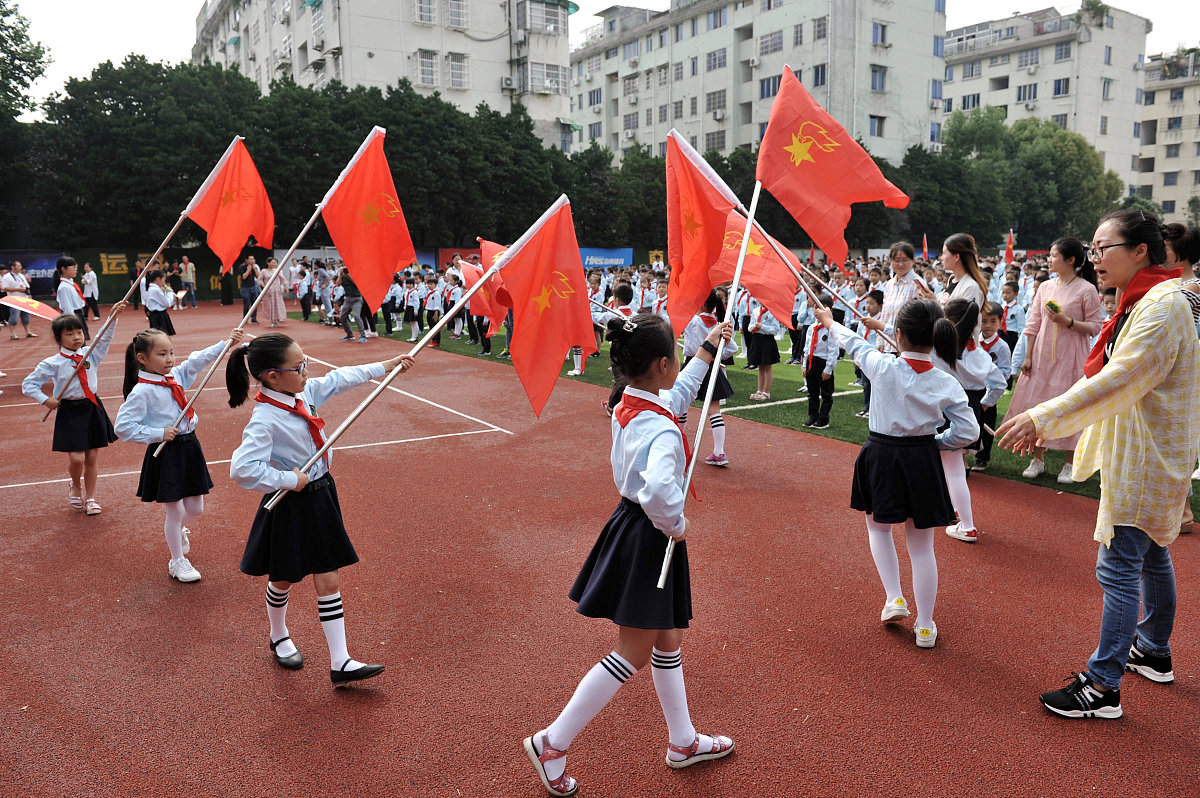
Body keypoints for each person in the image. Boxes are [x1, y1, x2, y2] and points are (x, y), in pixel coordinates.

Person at [998, 210, 1200, 720]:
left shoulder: (1161, 306)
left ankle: (1103, 684)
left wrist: (1041, 416)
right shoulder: (1158, 297)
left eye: (1102, 247)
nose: (1095, 259)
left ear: (1139, 251)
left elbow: (1118, 377)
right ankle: (1152, 651)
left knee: (1120, 564)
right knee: (1152, 552)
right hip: (1150, 444)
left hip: (1146, 451)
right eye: (1091, 248)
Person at [524, 313, 735, 797]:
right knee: (633, 651)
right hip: (649, 535)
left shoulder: (633, 400)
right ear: (662, 363)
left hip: (633, 527)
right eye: (677, 355)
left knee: (669, 636)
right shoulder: (659, 430)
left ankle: (682, 741)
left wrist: (707, 348)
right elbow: (662, 492)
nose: (679, 363)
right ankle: (552, 742)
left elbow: (676, 396)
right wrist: (677, 525)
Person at [228, 333, 415, 685]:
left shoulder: (303, 392)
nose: (306, 371)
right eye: (299, 367)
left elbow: (339, 379)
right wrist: (287, 478)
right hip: (290, 504)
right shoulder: (265, 418)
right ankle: (279, 634)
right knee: (283, 577)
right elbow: (242, 469)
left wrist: (385, 366)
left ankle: (340, 661)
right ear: (272, 376)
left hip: (321, 495)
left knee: (328, 575)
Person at [815, 298, 977, 649]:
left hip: (883, 456)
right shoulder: (946, 382)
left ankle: (894, 598)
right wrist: (938, 442)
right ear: (934, 338)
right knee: (921, 547)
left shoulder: (883, 366)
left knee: (878, 528)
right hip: (921, 458)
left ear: (899, 333)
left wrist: (829, 321)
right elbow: (969, 432)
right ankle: (924, 624)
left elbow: (852, 342)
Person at [115, 327, 244, 583]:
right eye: (162, 354)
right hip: (166, 452)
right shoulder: (142, 391)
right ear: (142, 358)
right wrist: (157, 433)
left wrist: (226, 344)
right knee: (174, 511)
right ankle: (177, 561)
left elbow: (198, 359)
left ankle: (179, 531)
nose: (170, 359)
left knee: (196, 507)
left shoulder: (176, 376)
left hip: (189, 447)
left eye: (171, 352)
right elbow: (122, 427)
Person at [1004, 237, 1103, 483]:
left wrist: (1066, 321)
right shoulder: (1045, 287)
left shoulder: (1086, 289)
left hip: (1071, 356)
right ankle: (1037, 457)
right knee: (1038, 403)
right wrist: (1027, 357)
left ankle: (1070, 463)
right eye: (1049, 255)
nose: (1049, 260)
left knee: (1070, 405)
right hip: (1041, 356)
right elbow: (1033, 323)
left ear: (1070, 260)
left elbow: (1094, 326)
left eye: (1053, 255)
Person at [21, 305, 127, 516]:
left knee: (91, 459)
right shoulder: (52, 363)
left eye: (79, 332)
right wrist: (45, 399)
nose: (76, 337)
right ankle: (75, 484)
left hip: (91, 408)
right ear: (59, 338)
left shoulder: (91, 353)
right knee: (77, 459)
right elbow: (29, 384)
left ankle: (91, 498)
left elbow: (103, 337)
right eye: (69, 334)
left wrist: (113, 317)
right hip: (69, 412)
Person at [934, 300, 1004, 543]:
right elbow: (1000, 384)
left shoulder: (938, 349)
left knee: (952, 468)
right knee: (953, 467)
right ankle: (956, 513)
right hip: (970, 408)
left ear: (950, 321)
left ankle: (967, 525)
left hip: (946, 407)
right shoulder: (980, 353)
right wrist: (983, 404)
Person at [680, 291, 738, 467]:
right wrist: (716, 356)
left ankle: (678, 448)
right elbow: (732, 348)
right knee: (715, 410)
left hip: (693, 364)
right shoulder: (719, 325)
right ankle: (719, 452)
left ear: (702, 303)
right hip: (711, 366)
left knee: (681, 406)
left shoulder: (694, 321)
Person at [972, 302, 1013, 470]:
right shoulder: (973, 342)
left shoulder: (1002, 346)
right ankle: (966, 451)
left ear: (1000, 322)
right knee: (971, 421)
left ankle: (983, 457)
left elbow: (1006, 370)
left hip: (991, 391)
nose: (988, 326)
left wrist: (992, 378)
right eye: (984, 321)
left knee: (986, 424)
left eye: (993, 321)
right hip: (974, 389)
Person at [802, 294, 838, 428]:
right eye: (815, 307)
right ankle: (813, 415)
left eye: (822, 308)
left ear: (830, 311)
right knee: (812, 392)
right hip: (812, 361)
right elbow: (807, 347)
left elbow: (833, 351)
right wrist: (805, 366)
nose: (817, 311)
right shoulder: (812, 328)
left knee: (826, 393)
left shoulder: (831, 328)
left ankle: (824, 419)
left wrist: (828, 369)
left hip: (823, 362)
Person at [854, 290, 885, 418]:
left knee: (877, 384)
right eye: (867, 303)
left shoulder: (882, 320)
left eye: (871, 303)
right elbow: (859, 338)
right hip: (865, 356)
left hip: (877, 356)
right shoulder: (864, 319)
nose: (868, 306)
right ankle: (867, 407)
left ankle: (876, 409)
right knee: (866, 384)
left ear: (880, 306)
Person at [745, 297, 780, 400]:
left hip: (767, 340)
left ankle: (766, 392)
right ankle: (759, 390)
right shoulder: (756, 310)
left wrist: (762, 327)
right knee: (760, 366)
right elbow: (751, 323)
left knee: (767, 366)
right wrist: (751, 328)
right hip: (757, 339)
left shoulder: (772, 312)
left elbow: (775, 329)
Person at [54, 257, 90, 341]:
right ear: (63, 269)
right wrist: (72, 324)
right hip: (73, 316)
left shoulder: (70, 283)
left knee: (82, 344)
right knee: (78, 344)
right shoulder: (64, 287)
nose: (75, 270)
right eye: (73, 268)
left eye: (76, 268)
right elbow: (67, 309)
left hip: (78, 315)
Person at [3, 260, 35, 339]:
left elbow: (26, 287)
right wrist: (18, 289)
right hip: (14, 300)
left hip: (25, 299)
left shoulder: (21, 275)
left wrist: (29, 295)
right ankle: (12, 334)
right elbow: (5, 288)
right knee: (14, 317)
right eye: (18, 266)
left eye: (20, 266)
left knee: (26, 317)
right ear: (12, 267)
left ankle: (28, 332)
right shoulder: (7, 277)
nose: (20, 268)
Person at [143, 269, 177, 336]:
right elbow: (167, 303)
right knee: (160, 337)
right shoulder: (155, 290)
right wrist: (170, 293)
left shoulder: (153, 289)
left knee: (160, 337)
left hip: (158, 315)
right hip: (159, 316)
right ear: (158, 279)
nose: (164, 282)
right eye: (164, 279)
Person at [258, 257, 287, 328]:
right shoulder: (263, 271)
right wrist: (263, 286)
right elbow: (260, 280)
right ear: (268, 263)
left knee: (277, 304)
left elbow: (283, 279)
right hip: (268, 291)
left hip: (276, 290)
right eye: (272, 262)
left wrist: (286, 287)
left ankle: (277, 319)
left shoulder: (277, 270)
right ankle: (273, 320)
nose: (274, 264)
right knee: (270, 305)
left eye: (275, 262)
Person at [240, 257, 260, 324]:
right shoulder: (242, 267)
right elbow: (244, 277)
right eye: (251, 259)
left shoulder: (254, 267)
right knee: (247, 303)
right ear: (246, 260)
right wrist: (248, 270)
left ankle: (254, 319)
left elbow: (258, 277)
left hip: (253, 286)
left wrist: (254, 269)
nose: (252, 260)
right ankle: (245, 319)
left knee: (254, 303)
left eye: (253, 259)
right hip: (245, 288)